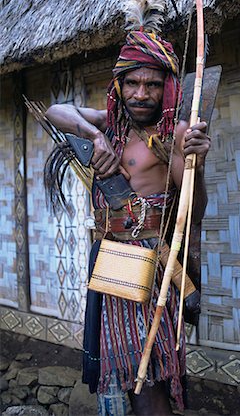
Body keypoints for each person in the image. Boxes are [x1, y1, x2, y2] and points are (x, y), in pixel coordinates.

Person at [45, 29, 210, 415]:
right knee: (118, 371)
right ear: (118, 84)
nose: (140, 94)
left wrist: (195, 167)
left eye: (152, 84)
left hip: (148, 267)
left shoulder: (174, 133)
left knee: (147, 375)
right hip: (108, 262)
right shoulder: (109, 125)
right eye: (132, 82)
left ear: (166, 88)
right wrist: (93, 136)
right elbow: (55, 111)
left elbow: (193, 212)